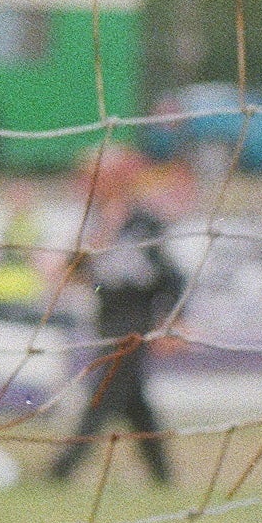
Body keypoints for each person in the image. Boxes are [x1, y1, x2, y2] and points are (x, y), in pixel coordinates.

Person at [55, 170, 184, 485]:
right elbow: (79, 270)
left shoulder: (144, 223)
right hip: (107, 315)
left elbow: (172, 276)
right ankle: (163, 476)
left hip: (136, 316)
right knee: (133, 401)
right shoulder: (96, 222)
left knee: (106, 392)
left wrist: (174, 318)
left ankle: (62, 470)